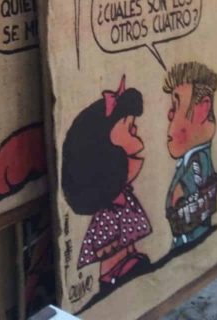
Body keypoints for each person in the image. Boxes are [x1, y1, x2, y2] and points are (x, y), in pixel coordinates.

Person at [61, 76, 151, 298]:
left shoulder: (123, 196)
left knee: (128, 250)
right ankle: (112, 274)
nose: (139, 140)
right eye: (130, 129)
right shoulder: (107, 212)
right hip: (113, 272)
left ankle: (128, 260)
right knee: (114, 253)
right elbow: (104, 245)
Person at [164, 61, 217, 252]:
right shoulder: (190, 160)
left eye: (177, 104)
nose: (169, 113)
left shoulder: (197, 165)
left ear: (202, 109)